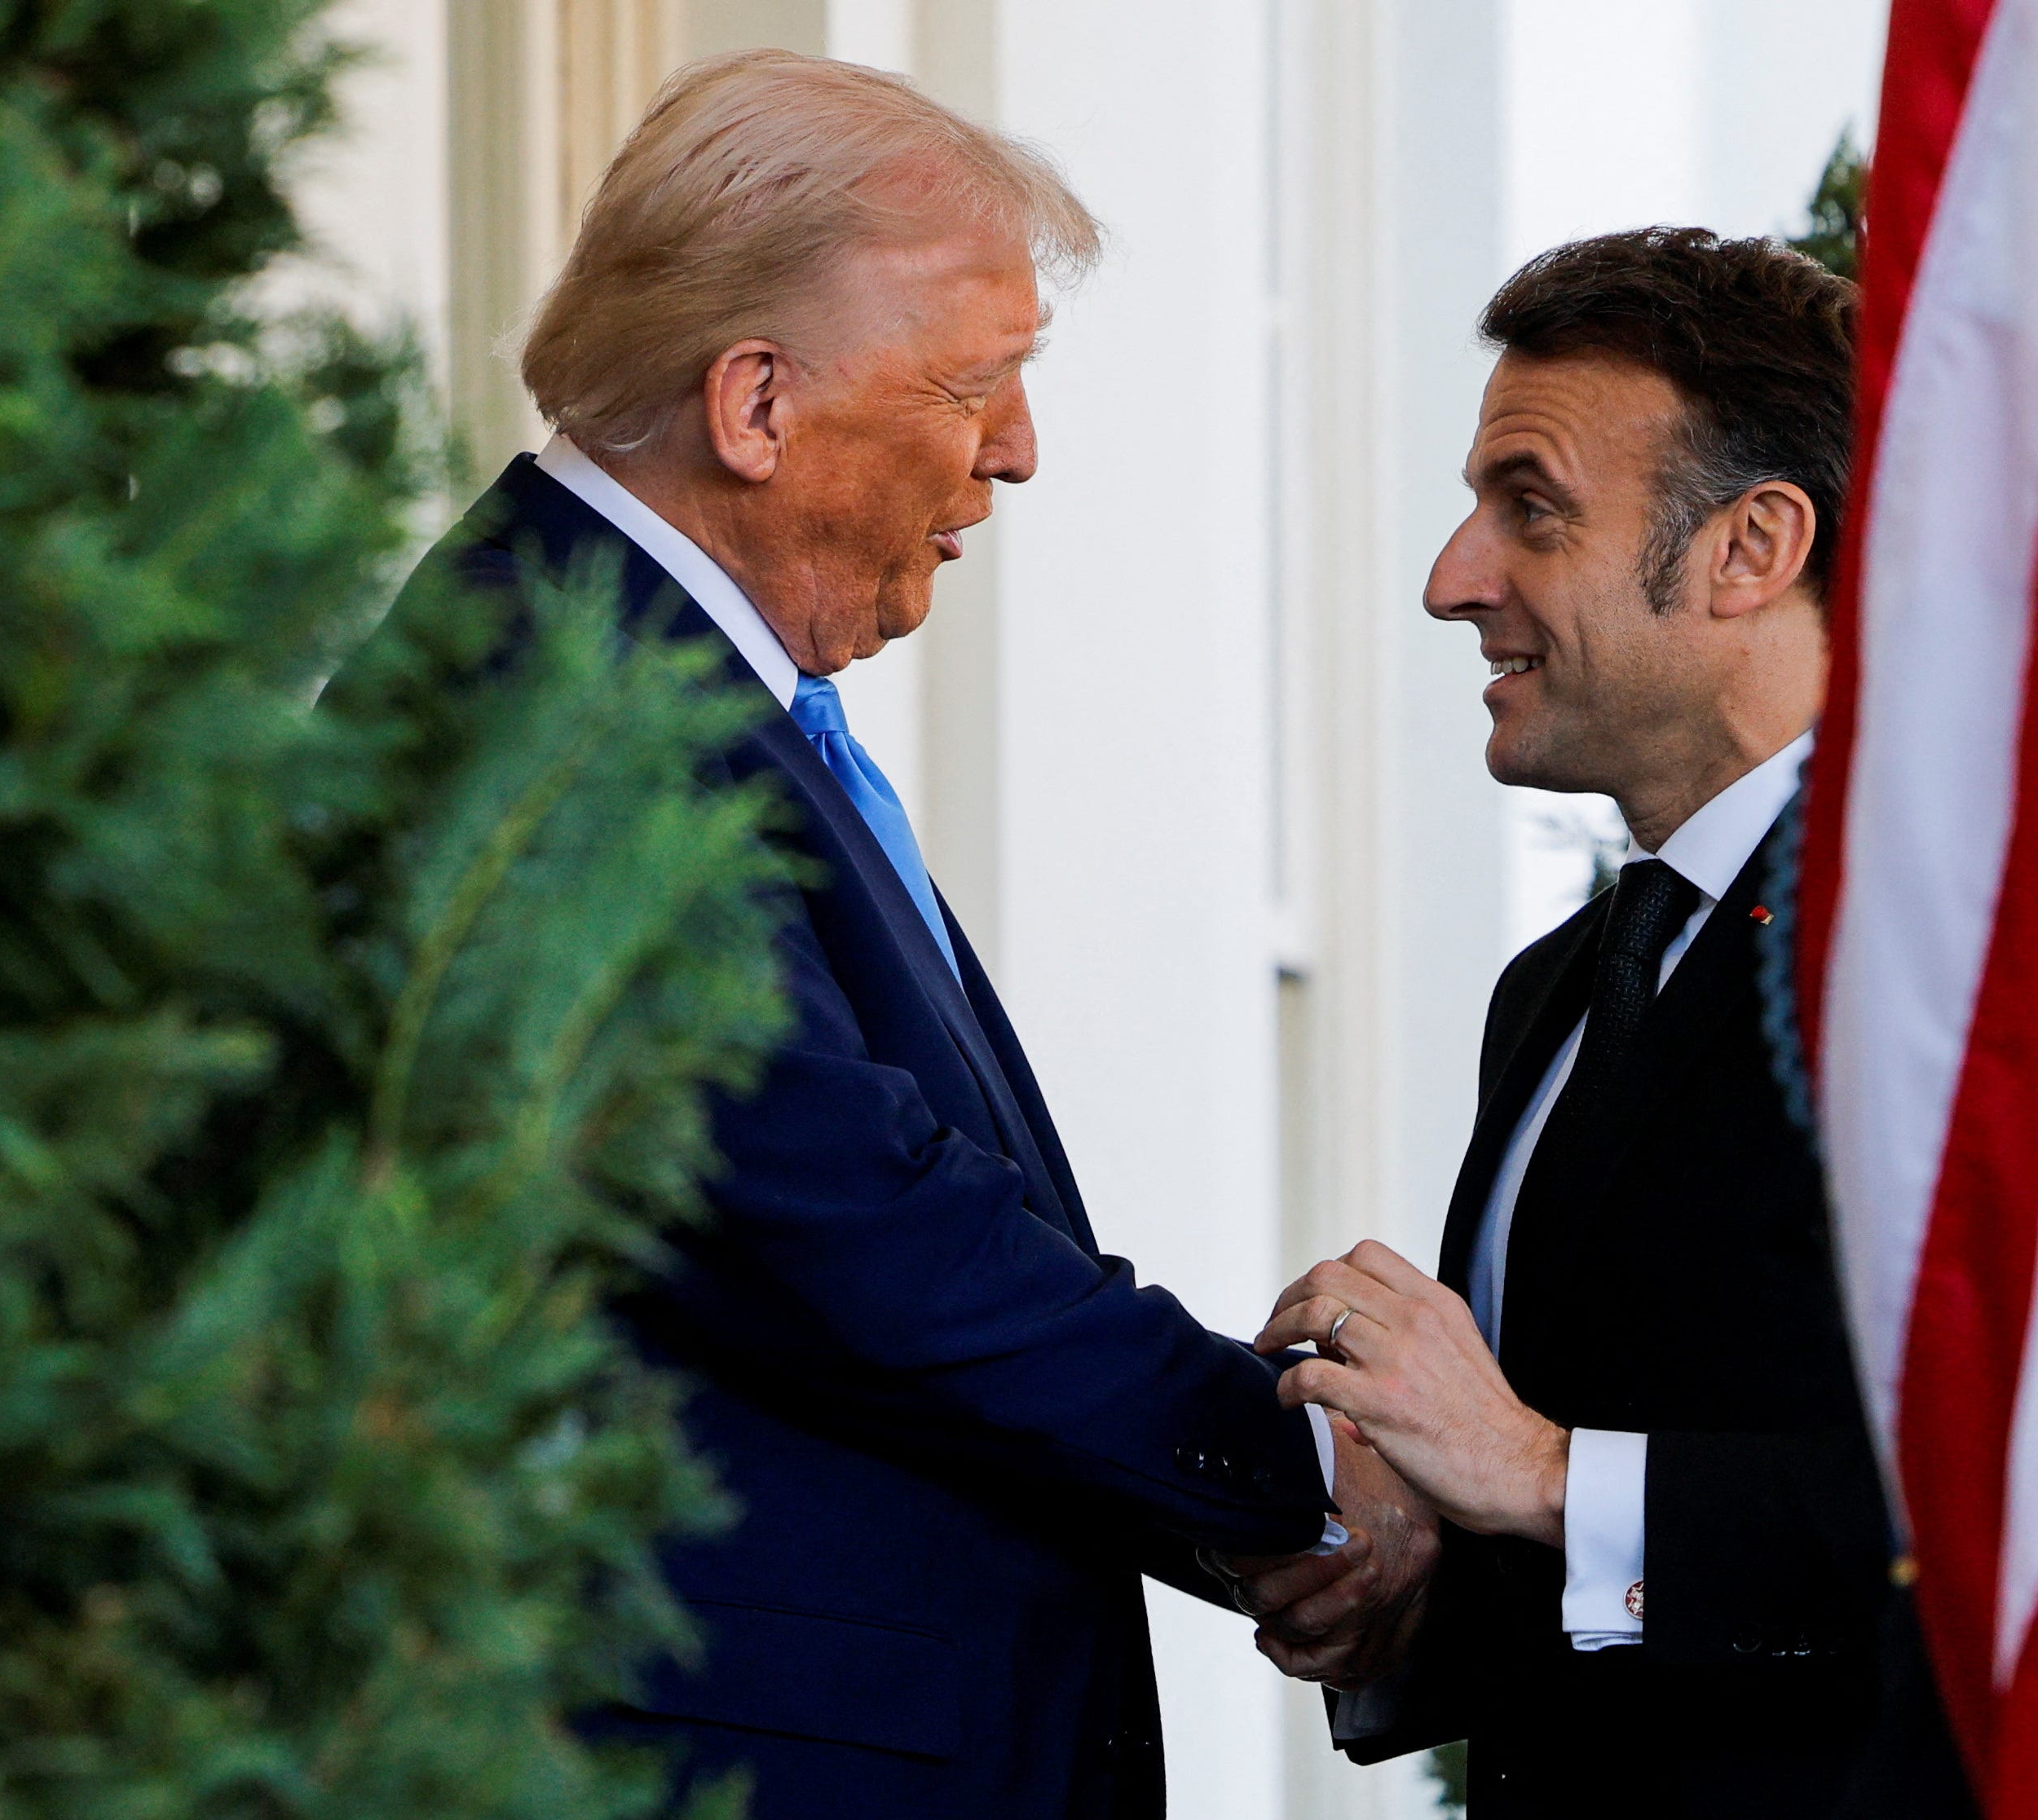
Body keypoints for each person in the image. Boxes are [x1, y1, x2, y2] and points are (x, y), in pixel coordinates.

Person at [398, 51, 1427, 1819]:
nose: (1017, 451)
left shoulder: (654, 676)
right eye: (982, 383)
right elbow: (850, 1222)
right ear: (757, 407)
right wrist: (1311, 1475)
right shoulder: (544, 696)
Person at [1240, 229, 1976, 1815]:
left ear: (1750, 548)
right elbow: (1561, 1543)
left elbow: (2015, 1520)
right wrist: (1405, 1569)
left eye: (1532, 509)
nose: (1454, 578)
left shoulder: (1956, 961)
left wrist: (1539, 1472)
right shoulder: (1562, 985)